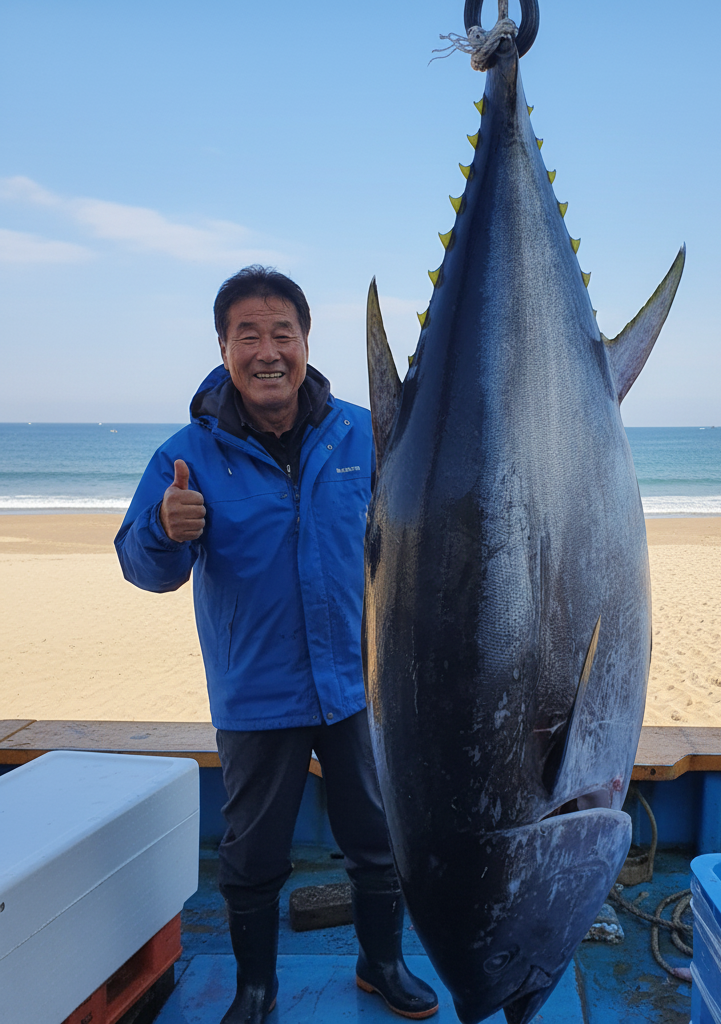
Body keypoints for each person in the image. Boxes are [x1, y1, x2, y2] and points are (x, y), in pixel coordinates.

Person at [115, 266, 438, 1024]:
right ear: (223, 348)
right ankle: (256, 988)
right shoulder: (186, 455)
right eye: (247, 336)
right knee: (252, 854)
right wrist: (165, 529)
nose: (267, 351)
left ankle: (381, 963)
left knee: (377, 834)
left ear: (304, 341)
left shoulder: (366, 432)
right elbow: (140, 565)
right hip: (256, 690)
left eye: (281, 333)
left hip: (361, 683)